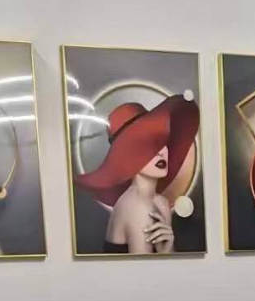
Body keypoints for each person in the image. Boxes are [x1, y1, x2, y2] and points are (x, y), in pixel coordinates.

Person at [75, 94, 199, 254]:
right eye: (147, 146)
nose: (161, 152)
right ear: (129, 157)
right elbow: (145, 270)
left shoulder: (161, 203)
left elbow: (164, 265)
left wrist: (168, 250)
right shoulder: (138, 207)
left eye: (162, 141)